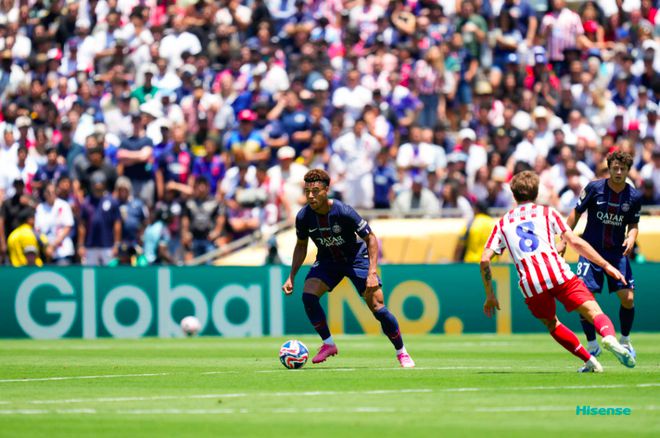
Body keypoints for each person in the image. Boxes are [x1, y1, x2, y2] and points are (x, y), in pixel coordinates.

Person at [481, 170, 635, 373]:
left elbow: (484, 259)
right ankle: (609, 338)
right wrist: (606, 265)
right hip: (558, 273)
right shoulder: (548, 213)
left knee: (552, 324)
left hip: (531, 283)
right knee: (594, 312)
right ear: (536, 192)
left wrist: (490, 295)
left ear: (513, 194)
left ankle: (590, 361)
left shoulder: (502, 223)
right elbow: (574, 242)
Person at [282, 169, 414, 368]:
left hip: (355, 259)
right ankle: (328, 344)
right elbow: (301, 246)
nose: (310, 196)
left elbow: (371, 238)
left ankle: (401, 352)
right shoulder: (303, 217)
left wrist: (372, 272)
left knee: (378, 307)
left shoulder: (343, 211)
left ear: (326, 190)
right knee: (308, 296)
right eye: (307, 191)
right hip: (327, 261)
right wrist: (291, 276)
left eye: (315, 191)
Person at [557, 151, 641, 358]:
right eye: (615, 168)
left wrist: (631, 237)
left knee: (628, 298)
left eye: (622, 169)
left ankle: (625, 340)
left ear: (628, 171)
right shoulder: (594, 189)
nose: (619, 172)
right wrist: (563, 240)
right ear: (609, 169)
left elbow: (633, 224)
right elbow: (576, 213)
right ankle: (593, 345)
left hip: (616, 253)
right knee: (584, 298)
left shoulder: (633, 196)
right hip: (590, 250)